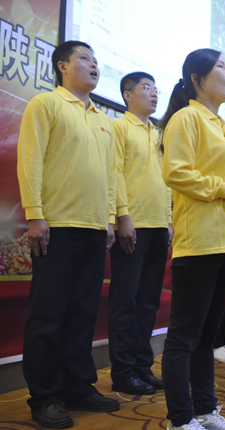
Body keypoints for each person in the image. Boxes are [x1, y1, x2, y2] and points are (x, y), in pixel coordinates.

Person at [17, 40, 119, 429]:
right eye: (85, 59)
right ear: (62, 65)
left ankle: (78, 386)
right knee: (49, 315)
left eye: (96, 61)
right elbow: (30, 160)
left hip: (94, 229)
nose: (94, 65)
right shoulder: (46, 104)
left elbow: (110, 176)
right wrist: (35, 215)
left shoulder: (102, 119)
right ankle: (45, 397)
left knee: (82, 314)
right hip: (56, 226)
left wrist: (109, 219)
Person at [159, 48, 225, 430]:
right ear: (197, 79)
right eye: (221, 67)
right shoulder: (186, 118)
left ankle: (206, 411)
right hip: (199, 242)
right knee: (185, 336)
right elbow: (175, 172)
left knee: (207, 336)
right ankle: (181, 419)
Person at [108, 72, 173, 395]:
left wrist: (169, 219)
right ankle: (122, 372)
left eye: (156, 89)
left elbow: (166, 180)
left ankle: (142, 368)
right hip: (132, 225)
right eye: (146, 88)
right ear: (127, 95)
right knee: (126, 301)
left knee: (148, 302)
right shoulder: (118, 127)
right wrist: (122, 216)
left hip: (159, 225)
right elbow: (114, 174)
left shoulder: (159, 133)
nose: (154, 93)